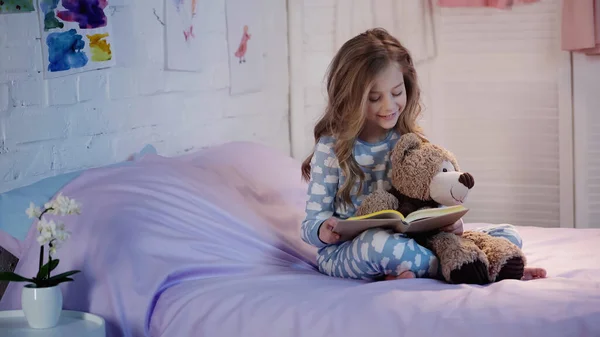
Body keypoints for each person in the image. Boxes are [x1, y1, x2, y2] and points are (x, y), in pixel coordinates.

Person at [300, 28, 546, 282]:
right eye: (374, 98)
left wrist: (450, 223)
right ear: (350, 98)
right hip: (350, 251)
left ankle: (459, 262)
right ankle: (474, 267)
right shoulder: (331, 149)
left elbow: (430, 202)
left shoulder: (408, 140)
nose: (388, 106)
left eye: (397, 93)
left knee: (507, 234)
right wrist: (322, 231)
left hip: (412, 240)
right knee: (379, 245)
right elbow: (310, 223)